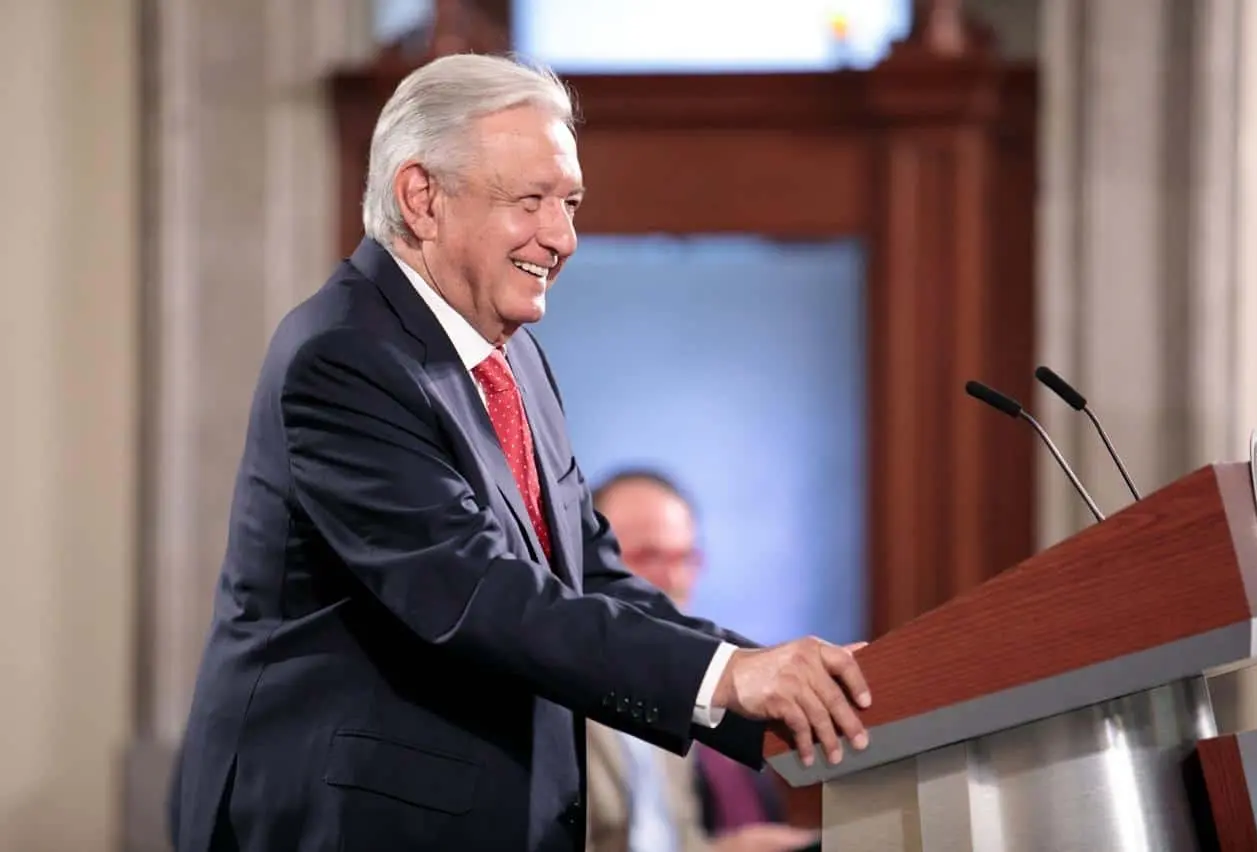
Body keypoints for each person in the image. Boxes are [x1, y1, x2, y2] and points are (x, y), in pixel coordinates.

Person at [168, 53, 871, 852]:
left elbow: (587, 574)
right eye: (530, 201)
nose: (563, 237)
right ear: (421, 198)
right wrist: (724, 679)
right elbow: (478, 593)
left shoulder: (513, 359)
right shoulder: (342, 358)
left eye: (569, 202)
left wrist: (769, 681)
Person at [584, 470, 810, 852]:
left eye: (685, 557)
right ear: (591, 566)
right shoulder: (551, 687)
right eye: (648, 556)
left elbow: (673, 838)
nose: (673, 579)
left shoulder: (678, 688)